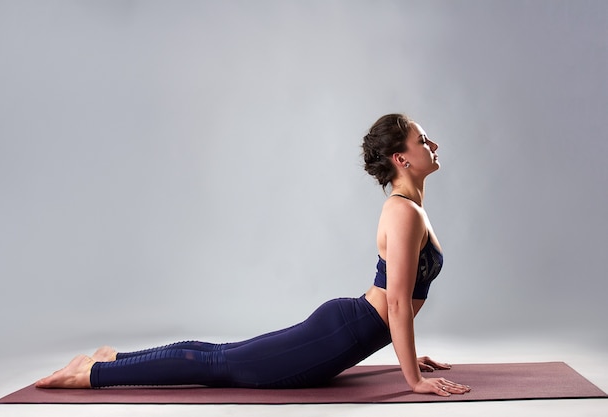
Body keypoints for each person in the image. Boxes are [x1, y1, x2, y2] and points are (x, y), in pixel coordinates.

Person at [36, 113, 470, 397]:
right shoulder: (403, 213)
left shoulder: (409, 209)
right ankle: (90, 375)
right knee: (217, 364)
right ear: (402, 158)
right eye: (423, 140)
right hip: (338, 335)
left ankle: (110, 359)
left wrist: (408, 353)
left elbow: (397, 301)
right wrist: (412, 379)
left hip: (348, 328)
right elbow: (396, 301)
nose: (434, 145)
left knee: (218, 354)